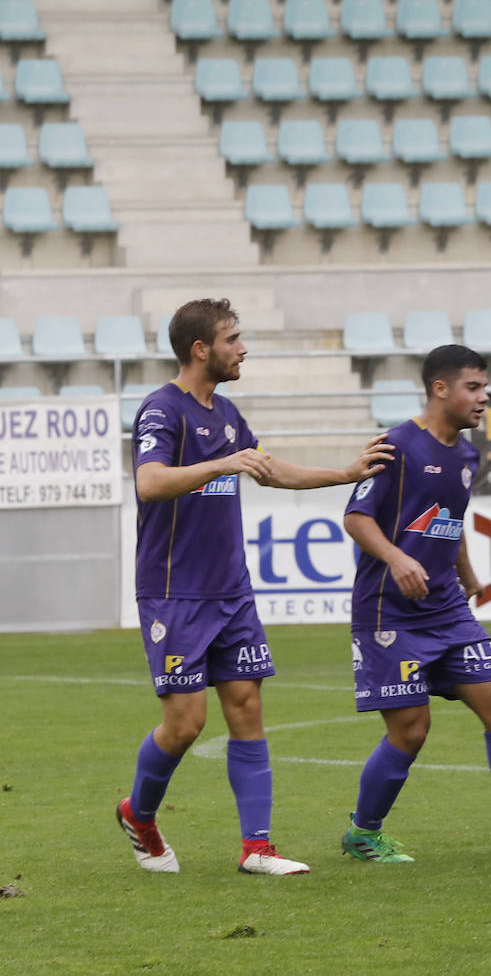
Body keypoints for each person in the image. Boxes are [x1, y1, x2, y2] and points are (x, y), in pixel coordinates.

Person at [119, 298, 393, 875]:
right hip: (174, 592)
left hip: (231, 592)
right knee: (186, 724)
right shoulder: (161, 410)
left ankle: (257, 849)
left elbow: (270, 468)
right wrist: (221, 465)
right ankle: (138, 816)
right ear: (202, 349)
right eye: (233, 338)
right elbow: (149, 482)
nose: (243, 348)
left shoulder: (227, 413)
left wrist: (343, 473)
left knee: (247, 708)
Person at [340, 344, 491, 864]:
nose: (485, 397)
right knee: (411, 730)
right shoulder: (396, 446)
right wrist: (397, 559)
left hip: (447, 608)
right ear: (440, 389)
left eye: (485, 387)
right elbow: (357, 518)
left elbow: (446, 519)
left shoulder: (466, 454)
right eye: (474, 387)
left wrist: (466, 572)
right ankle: (363, 832)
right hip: (390, 611)